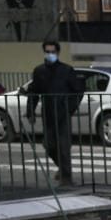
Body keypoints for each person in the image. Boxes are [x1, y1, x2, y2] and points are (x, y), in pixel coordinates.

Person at [26, 39, 84, 184]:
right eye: (48, 52)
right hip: (48, 114)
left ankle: (66, 179)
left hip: (63, 115)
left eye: (53, 52)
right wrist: (30, 112)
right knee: (49, 145)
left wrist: (69, 108)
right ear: (44, 52)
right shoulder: (39, 71)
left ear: (58, 53)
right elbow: (34, 92)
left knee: (64, 147)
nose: (50, 54)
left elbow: (78, 92)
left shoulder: (66, 70)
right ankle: (63, 169)